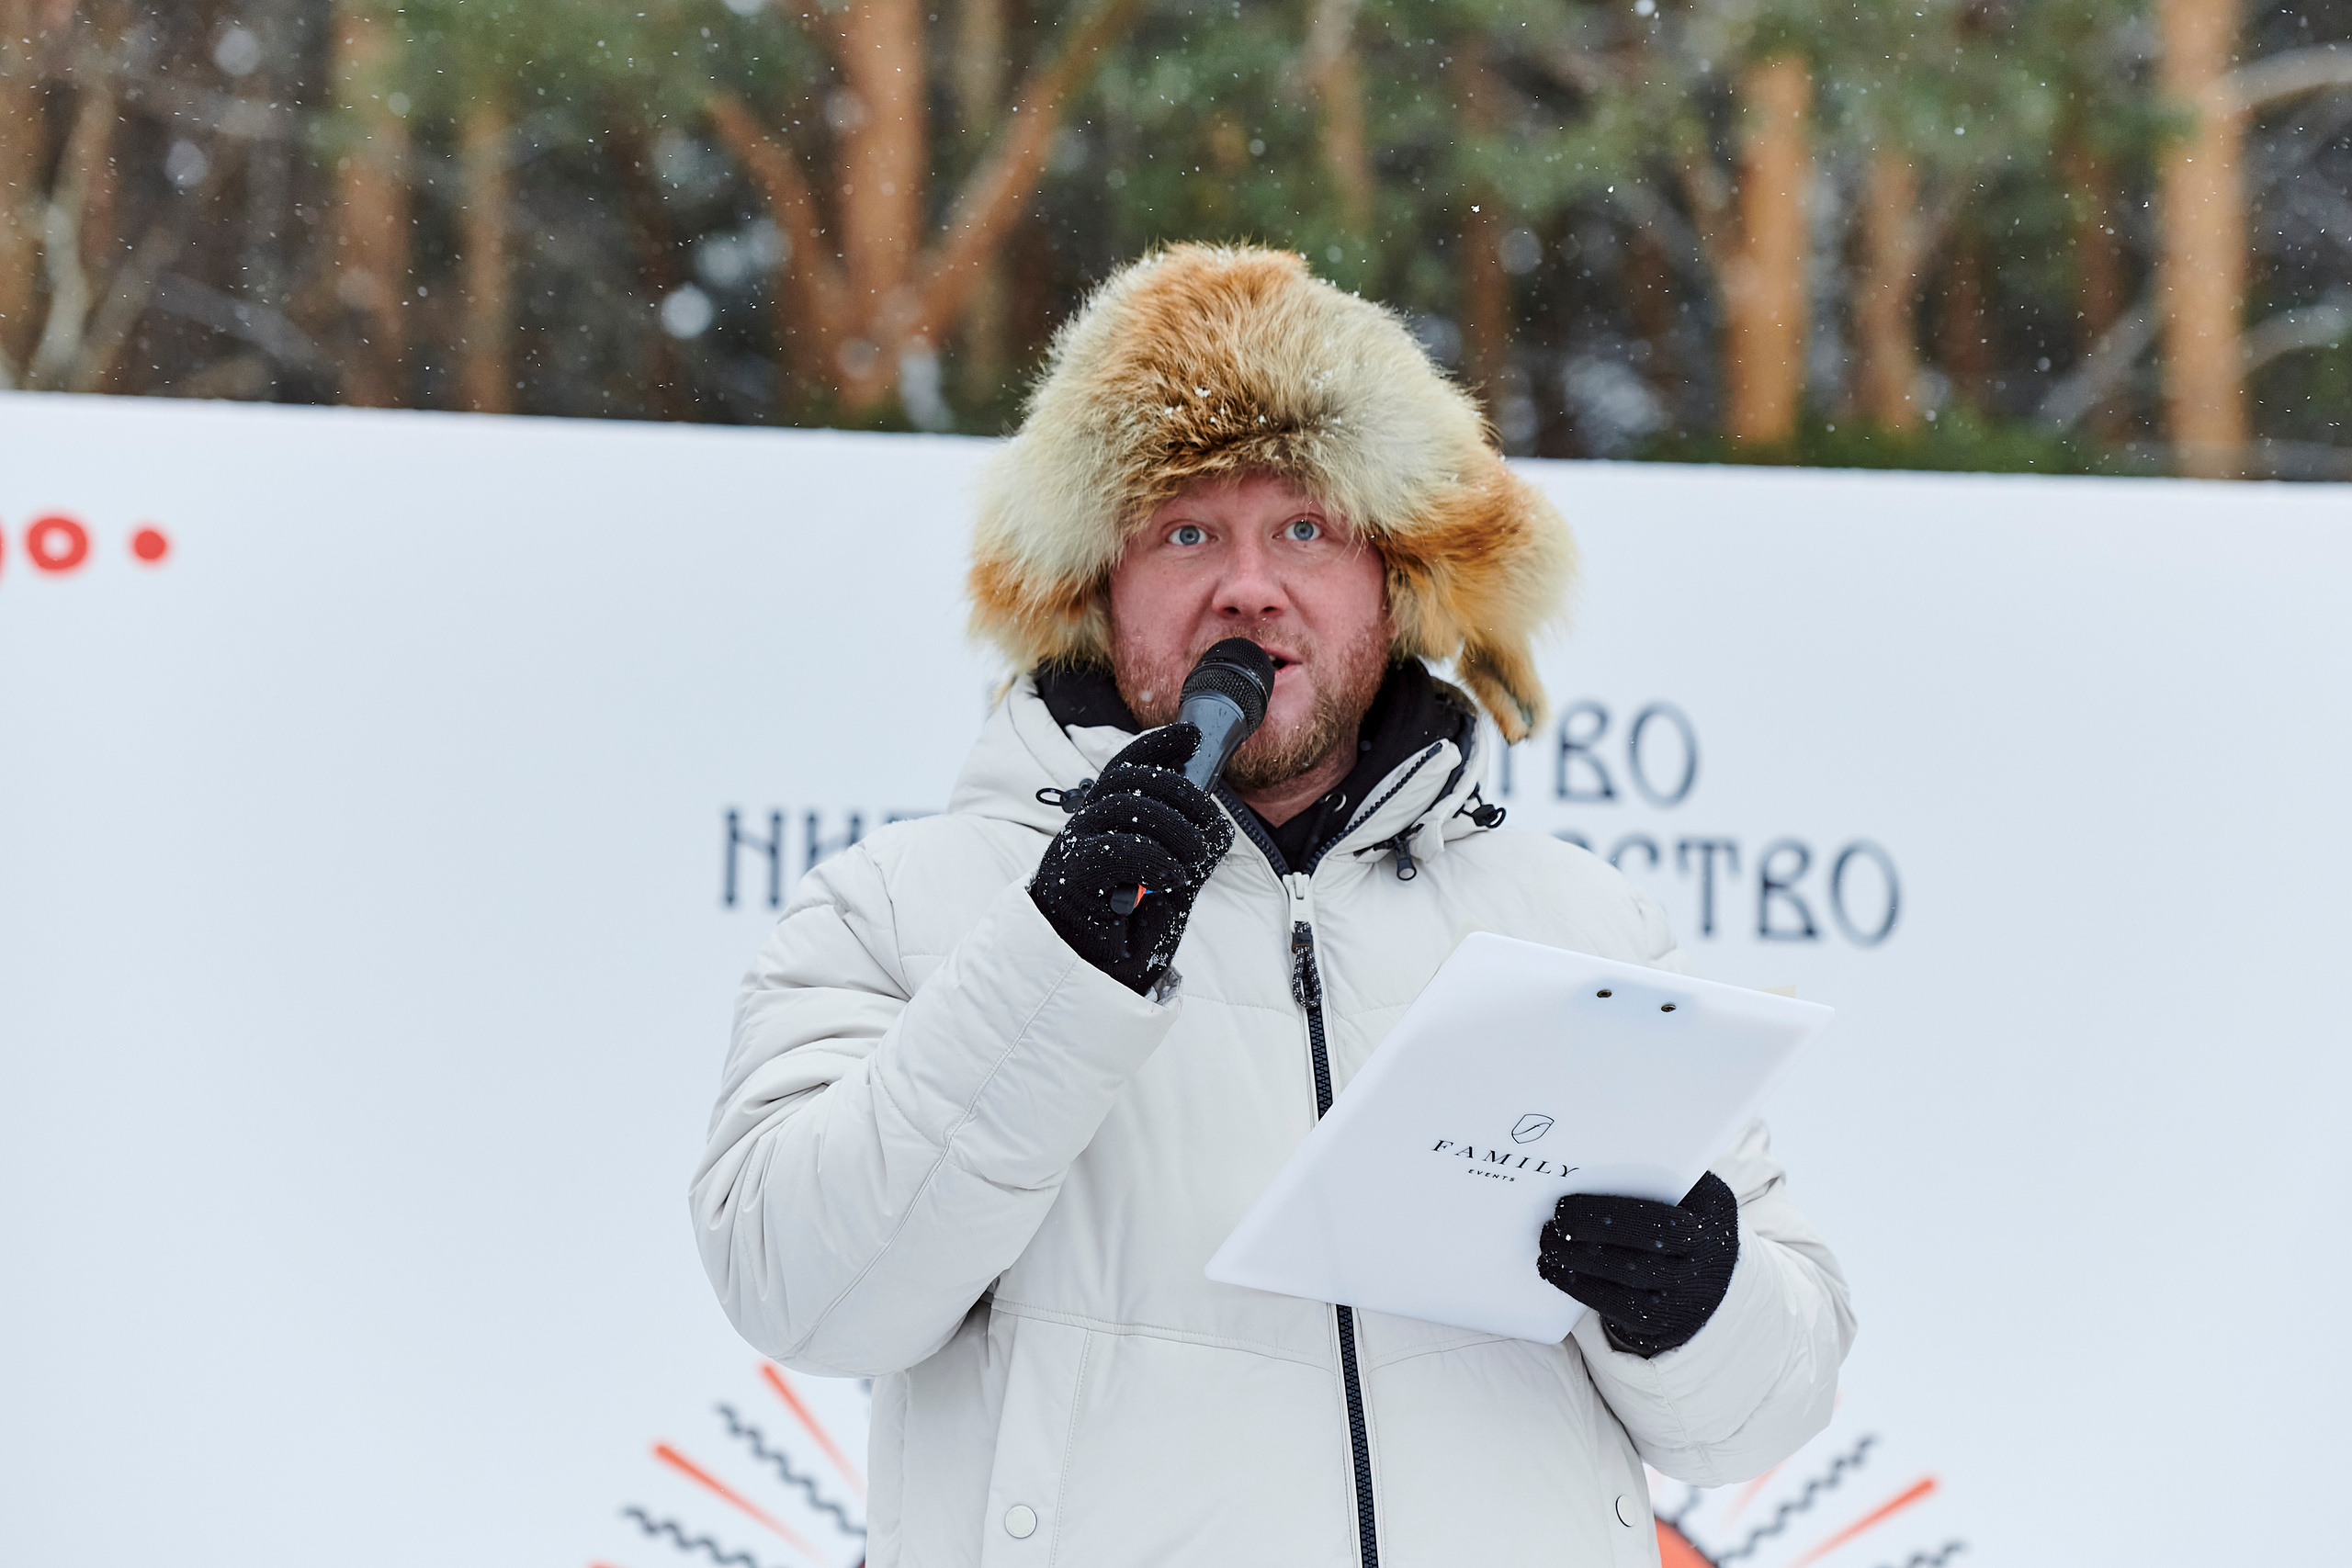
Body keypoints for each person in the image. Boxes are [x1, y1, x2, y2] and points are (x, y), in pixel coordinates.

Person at [693, 243, 1854, 1566]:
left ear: (1393, 577)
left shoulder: (1577, 921)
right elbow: (802, 1295)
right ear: (1096, 587)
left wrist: (1695, 1304)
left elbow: (1768, 1410)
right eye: (1187, 532)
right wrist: (1052, 964)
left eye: (1303, 527)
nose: (1249, 584)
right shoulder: (905, 907)